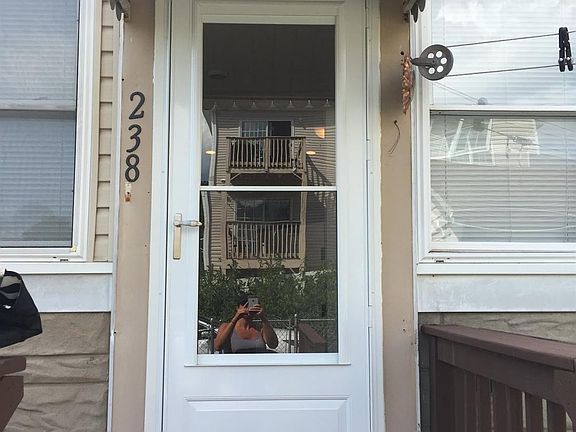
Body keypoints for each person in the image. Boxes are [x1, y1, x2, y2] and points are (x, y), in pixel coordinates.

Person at [214, 296, 279, 353]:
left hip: (257, 362)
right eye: (244, 304)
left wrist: (263, 319)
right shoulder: (226, 326)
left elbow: (273, 345)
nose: (248, 307)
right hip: (235, 362)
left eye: (251, 304)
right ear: (237, 308)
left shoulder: (260, 329)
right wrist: (236, 317)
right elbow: (218, 346)